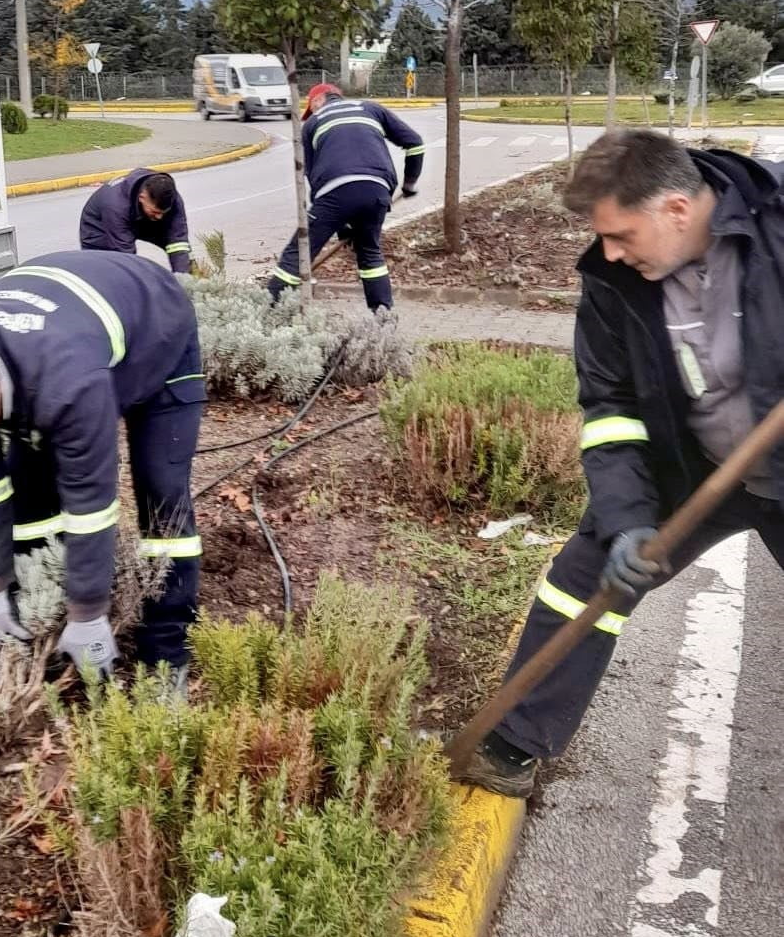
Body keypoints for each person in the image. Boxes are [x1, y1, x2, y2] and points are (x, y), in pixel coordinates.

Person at [459, 129, 784, 798]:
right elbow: (609, 407)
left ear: (676, 209)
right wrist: (628, 518)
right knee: (584, 579)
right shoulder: (614, 281)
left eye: (620, 234)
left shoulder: (776, 222)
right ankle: (511, 742)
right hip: (693, 465)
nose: (608, 251)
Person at [0, 250, 205, 686]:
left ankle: (166, 656)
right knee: (30, 498)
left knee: (162, 496)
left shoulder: (67, 384)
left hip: (158, 328)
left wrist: (89, 613)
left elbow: (91, 502)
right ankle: (39, 637)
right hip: (69, 331)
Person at [266, 83, 425, 311]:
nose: (312, 112)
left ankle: (269, 308)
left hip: (335, 192)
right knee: (370, 253)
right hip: (377, 190)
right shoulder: (371, 108)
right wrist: (409, 183)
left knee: (298, 252)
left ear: (318, 100)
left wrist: (340, 223)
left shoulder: (312, 123)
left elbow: (312, 178)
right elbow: (415, 144)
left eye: (311, 107)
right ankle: (382, 315)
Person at [80, 169, 192, 273]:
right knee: (114, 270)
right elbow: (126, 255)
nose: (159, 217)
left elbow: (178, 240)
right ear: (142, 197)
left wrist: (183, 278)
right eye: (155, 211)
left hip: (140, 217)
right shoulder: (115, 206)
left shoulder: (173, 199)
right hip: (100, 227)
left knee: (182, 254)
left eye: (163, 212)